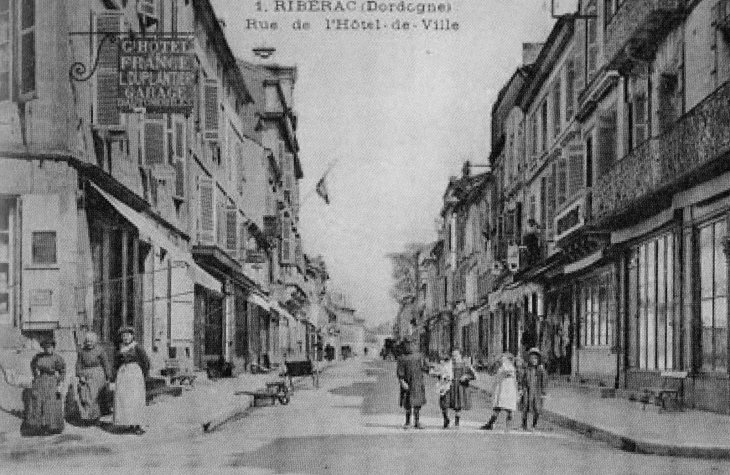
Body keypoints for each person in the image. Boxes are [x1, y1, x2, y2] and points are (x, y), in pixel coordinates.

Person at [111, 326, 150, 435]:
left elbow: (146, 362)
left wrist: (143, 375)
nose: (125, 338)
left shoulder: (137, 347)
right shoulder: (120, 348)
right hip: (123, 375)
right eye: (123, 336)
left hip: (134, 375)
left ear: (132, 336)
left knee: (135, 399)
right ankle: (128, 423)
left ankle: (138, 425)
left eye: (128, 335)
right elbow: (116, 363)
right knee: (124, 399)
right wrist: (114, 376)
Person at [24, 338, 66, 435]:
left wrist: (60, 381)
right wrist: (35, 375)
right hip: (40, 381)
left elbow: (62, 371)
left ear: (53, 347)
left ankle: (52, 426)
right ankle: (38, 425)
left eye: (50, 347)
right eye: (46, 347)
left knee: (50, 403)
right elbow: (33, 365)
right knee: (38, 401)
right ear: (43, 348)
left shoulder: (57, 358)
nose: (48, 349)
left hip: (52, 381)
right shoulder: (38, 357)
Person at [75, 331, 111, 425]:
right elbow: (78, 365)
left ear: (95, 342)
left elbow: (106, 363)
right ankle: (87, 417)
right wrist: (80, 375)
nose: (89, 344)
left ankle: (96, 418)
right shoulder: (82, 351)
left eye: (91, 342)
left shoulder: (100, 350)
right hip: (85, 375)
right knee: (85, 396)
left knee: (95, 396)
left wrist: (108, 375)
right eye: (87, 342)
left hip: (97, 374)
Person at [439, 349, 476, 429]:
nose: (454, 357)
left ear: (460, 356)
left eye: (456, 355)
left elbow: (473, 375)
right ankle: (446, 419)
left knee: (458, 405)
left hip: (459, 387)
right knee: (444, 403)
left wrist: (466, 377)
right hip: (449, 385)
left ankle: (457, 423)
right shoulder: (448, 364)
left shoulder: (465, 365)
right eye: (453, 355)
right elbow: (441, 373)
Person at [481, 353, 518, 431]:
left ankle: (508, 426)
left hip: (509, 391)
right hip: (501, 391)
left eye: (504, 358)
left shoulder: (510, 368)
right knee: (497, 408)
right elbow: (491, 373)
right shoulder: (500, 368)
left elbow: (508, 372)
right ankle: (490, 424)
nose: (502, 360)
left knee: (509, 409)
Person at [396, 339, 426, 429]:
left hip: (417, 382)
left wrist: (436, 370)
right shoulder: (402, 358)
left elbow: (425, 367)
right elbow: (400, 372)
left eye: (412, 344)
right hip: (407, 382)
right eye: (408, 344)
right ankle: (407, 422)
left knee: (417, 403)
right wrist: (402, 382)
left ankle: (417, 422)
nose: (410, 346)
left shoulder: (419, 356)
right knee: (407, 403)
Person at [520, 347, 548, 431]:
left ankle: (534, 424)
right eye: (532, 358)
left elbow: (544, 380)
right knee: (525, 407)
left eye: (536, 358)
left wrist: (543, 391)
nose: (534, 360)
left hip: (537, 390)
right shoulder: (526, 369)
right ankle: (524, 424)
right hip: (527, 390)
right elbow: (522, 379)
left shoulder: (540, 369)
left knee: (537, 408)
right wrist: (521, 388)